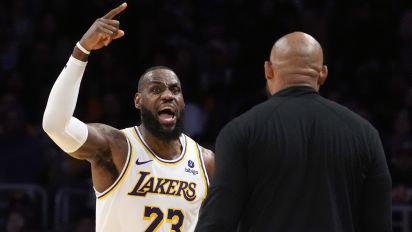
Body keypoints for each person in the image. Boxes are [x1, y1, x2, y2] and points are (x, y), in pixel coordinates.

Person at [42, 3, 214, 232]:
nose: (167, 95)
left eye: (175, 90)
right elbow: (55, 125)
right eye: (155, 89)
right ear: (138, 101)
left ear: (183, 101)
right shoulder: (116, 147)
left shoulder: (206, 162)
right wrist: (81, 50)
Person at [195, 32, 391, 232]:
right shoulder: (365, 134)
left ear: (268, 70)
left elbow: (217, 222)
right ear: (322, 73)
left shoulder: (239, 131)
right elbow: (380, 225)